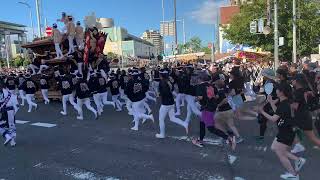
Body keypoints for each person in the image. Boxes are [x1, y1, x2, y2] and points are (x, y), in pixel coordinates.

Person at [259, 83, 305, 180]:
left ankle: (293, 175)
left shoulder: (284, 104)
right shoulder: (286, 102)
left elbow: (273, 119)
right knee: (274, 148)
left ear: (281, 92)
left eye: (277, 90)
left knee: (280, 153)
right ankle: (298, 160)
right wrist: (271, 102)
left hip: (286, 132)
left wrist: (262, 111)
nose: (276, 91)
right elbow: (279, 113)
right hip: (286, 130)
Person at [291, 73, 320, 154]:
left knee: (312, 138)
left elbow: (295, 106)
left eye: (292, 80)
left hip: (302, 117)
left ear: (296, 81)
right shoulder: (303, 90)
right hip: (303, 115)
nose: (291, 81)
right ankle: (298, 145)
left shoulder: (298, 92)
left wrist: (286, 103)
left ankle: (298, 145)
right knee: (292, 128)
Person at [155, 70, 188, 139]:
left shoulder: (162, 82)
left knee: (161, 119)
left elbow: (165, 92)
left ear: (161, 75)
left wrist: (159, 94)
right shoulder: (169, 80)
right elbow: (172, 90)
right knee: (172, 118)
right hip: (171, 102)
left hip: (165, 103)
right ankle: (184, 124)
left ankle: (162, 134)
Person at [0, 81, 17, 147]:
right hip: (11, 111)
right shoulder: (9, 92)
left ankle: (7, 136)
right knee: (12, 126)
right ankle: (13, 141)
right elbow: (16, 104)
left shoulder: (1, 93)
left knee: (2, 125)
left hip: (5, 111)